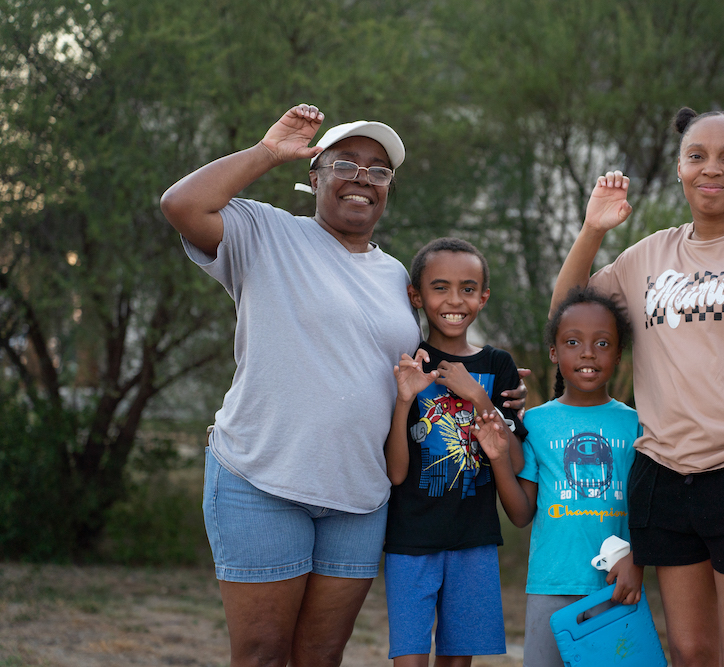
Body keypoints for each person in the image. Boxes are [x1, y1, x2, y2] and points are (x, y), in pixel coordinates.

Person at [159, 105, 525, 667]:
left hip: (359, 496)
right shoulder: (266, 232)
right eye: (345, 164)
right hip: (262, 479)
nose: (362, 178)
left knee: (322, 655)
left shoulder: (398, 276)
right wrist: (268, 151)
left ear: (389, 189)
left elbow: (430, 363)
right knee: (261, 653)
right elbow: (181, 204)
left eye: (378, 171)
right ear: (314, 175)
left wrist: (497, 386)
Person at [548, 107, 724, 667]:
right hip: (662, 475)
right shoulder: (648, 256)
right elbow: (568, 313)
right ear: (680, 168)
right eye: (697, 156)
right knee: (691, 651)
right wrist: (592, 231)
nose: (713, 170)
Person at [382, 237, 528, 667]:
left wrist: (477, 398)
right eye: (439, 287)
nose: (454, 300)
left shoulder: (498, 364)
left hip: (473, 541)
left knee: (458, 662)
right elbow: (395, 474)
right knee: (409, 660)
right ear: (416, 295)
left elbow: (515, 461)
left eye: (468, 289)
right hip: (410, 541)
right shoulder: (409, 362)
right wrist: (405, 400)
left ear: (483, 297)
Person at [499, 286, 645, 667]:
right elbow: (520, 514)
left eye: (602, 343)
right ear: (554, 352)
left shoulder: (636, 425)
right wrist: (498, 456)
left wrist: (639, 561)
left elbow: (650, 506)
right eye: (572, 342)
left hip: (616, 588)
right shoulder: (536, 423)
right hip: (551, 585)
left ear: (618, 353)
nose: (587, 353)